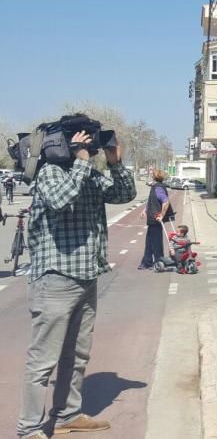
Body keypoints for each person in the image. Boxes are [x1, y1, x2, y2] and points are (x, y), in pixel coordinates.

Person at [17, 125, 136, 439]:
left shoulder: (90, 174)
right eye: (87, 139)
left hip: (86, 276)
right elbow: (59, 200)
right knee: (43, 360)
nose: (92, 145)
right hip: (55, 279)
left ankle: (67, 415)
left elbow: (124, 194)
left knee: (77, 355)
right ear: (70, 141)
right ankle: (28, 428)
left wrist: (114, 161)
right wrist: (81, 159)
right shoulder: (50, 172)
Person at [139, 169, 174, 270]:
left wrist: (162, 215)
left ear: (154, 177)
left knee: (156, 242)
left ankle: (158, 261)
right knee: (149, 242)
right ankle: (147, 262)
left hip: (156, 219)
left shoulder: (158, 188)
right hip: (152, 219)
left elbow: (165, 201)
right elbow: (152, 201)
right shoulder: (156, 187)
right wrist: (144, 210)